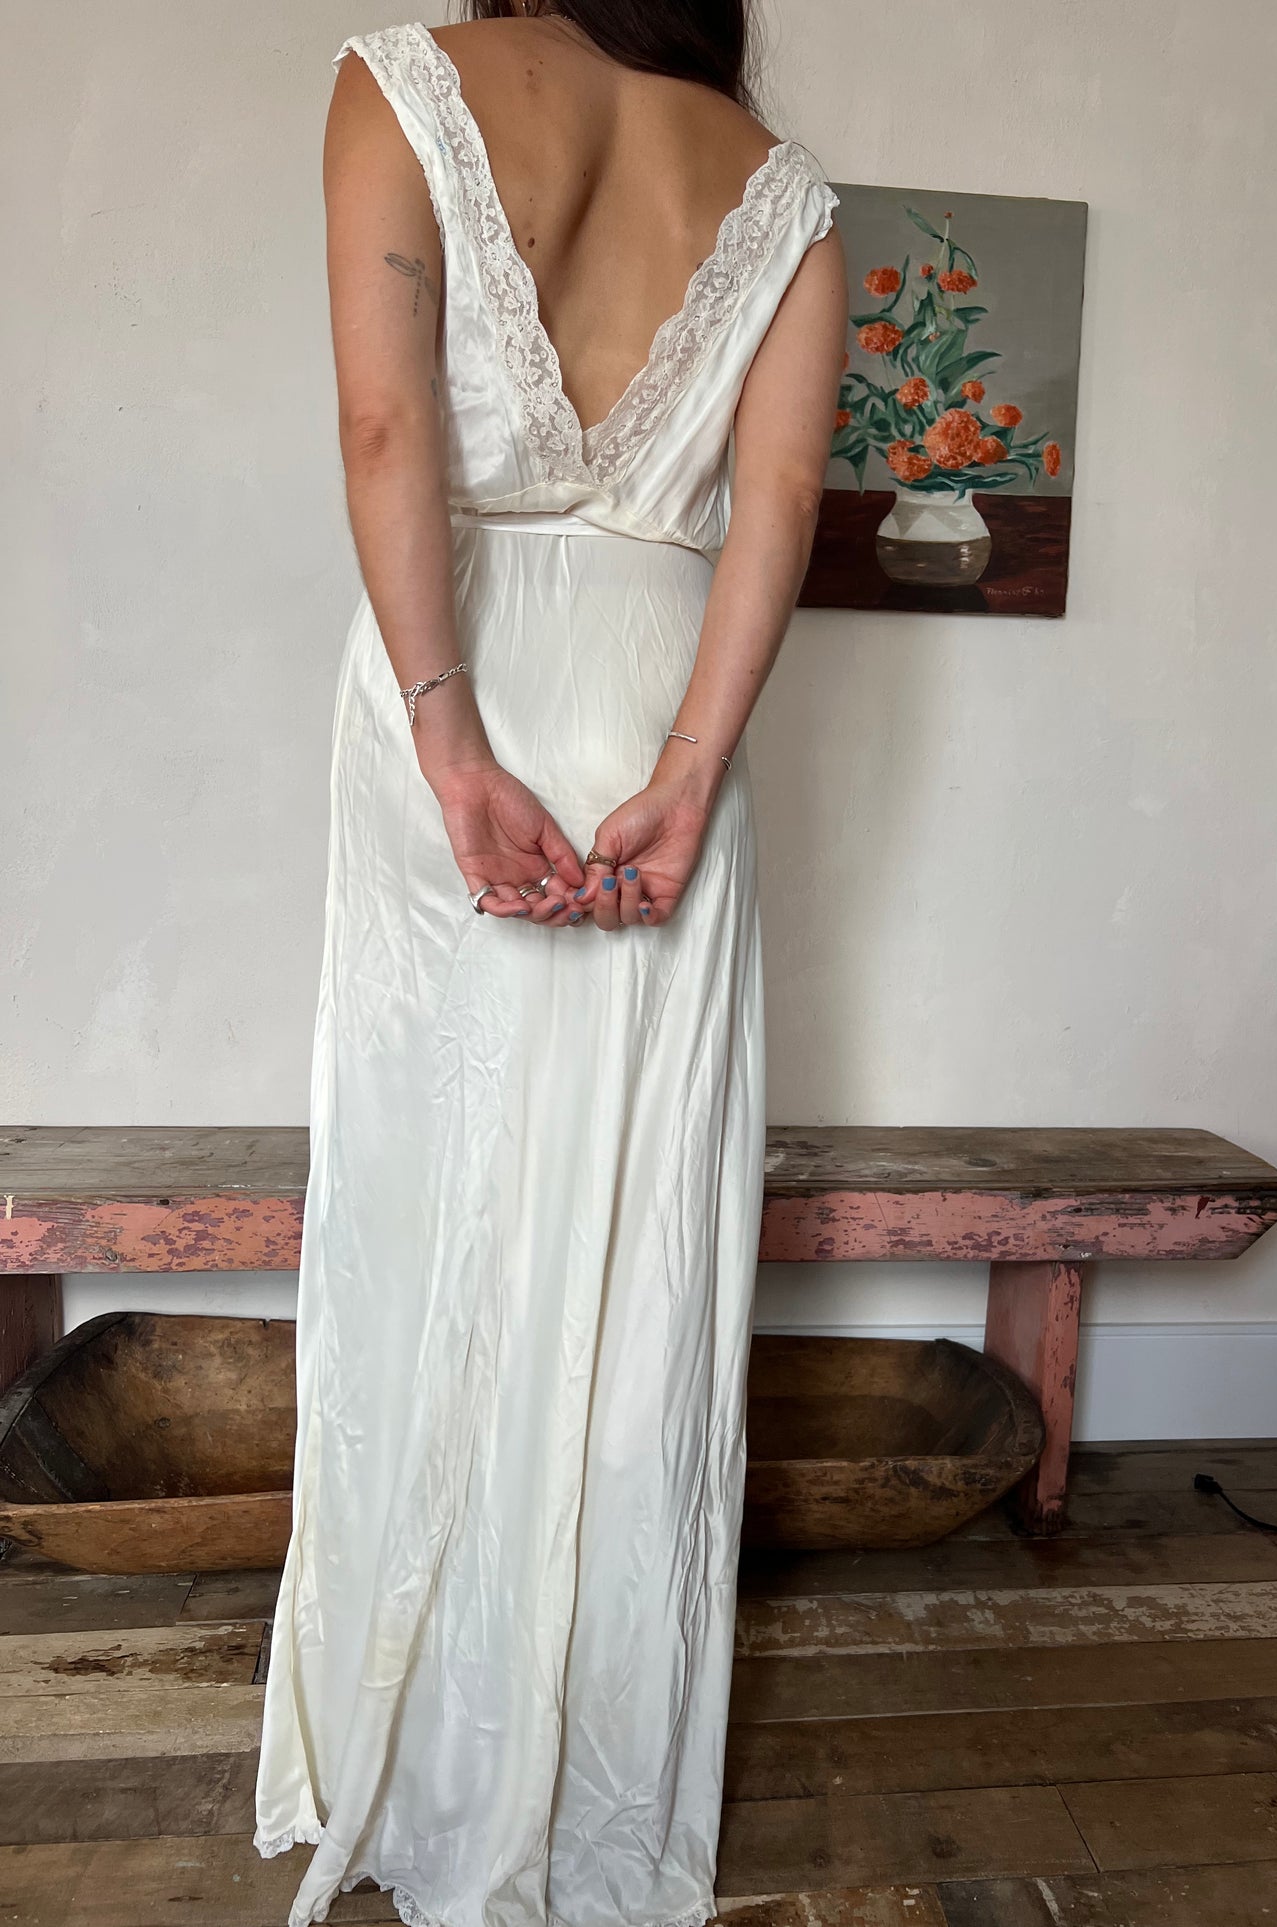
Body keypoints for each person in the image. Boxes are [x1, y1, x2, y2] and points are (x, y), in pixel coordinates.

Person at [252, 5, 845, 1925]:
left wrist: (447, 733)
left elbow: (385, 426)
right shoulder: (781, 190)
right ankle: (589, 1771)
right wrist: (688, 770)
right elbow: (778, 507)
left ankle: (420, 1750)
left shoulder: (404, 79)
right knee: (633, 1234)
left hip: (467, 682)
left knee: (436, 1206)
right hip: (664, 700)